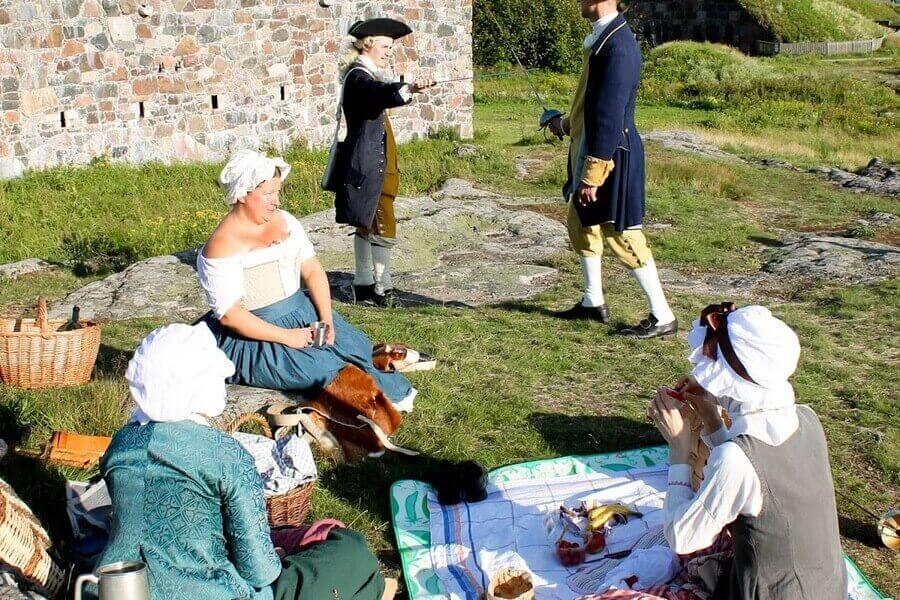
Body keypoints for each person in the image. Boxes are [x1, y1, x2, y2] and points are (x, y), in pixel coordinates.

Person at [98, 323, 388, 599]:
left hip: (114, 586)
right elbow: (259, 571)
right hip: (213, 592)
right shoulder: (227, 455)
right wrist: (277, 555)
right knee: (353, 551)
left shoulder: (120, 447)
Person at [647, 303, 846, 599]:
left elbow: (682, 537)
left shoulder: (736, 459)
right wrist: (713, 418)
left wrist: (679, 448)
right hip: (829, 589)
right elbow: (749, 475)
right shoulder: (807, 418)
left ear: (730, 382)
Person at [196, 149, 416, 412]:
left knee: (354, 347)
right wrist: (287, 337)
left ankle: (377, 386)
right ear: (243, 194)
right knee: (321, 370)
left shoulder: (285, 221)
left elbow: (311, 269)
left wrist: (327, 319)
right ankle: (369, 404)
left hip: (301, 310)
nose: (275, 201)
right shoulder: (221, 246)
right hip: (257, 331)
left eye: (277, 192)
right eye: (267, 194)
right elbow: (231, 316)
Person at [546, 0, 677, 338]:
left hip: (611, 154)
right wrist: (563, 124)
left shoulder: (617, 46)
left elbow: (608, 116)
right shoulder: (605, 38)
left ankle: (662, 315)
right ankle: (593, 302)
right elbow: (589, 107)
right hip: (593, 147)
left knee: (620, 231)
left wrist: (592, 174)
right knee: (582, 222)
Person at [332, 18, 434, 307]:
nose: (389, 51)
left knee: (368, 220)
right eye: (386, 46)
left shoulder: (365, 75)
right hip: (368, 163)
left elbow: (382, 93)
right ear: (368, 45)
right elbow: (378, 95)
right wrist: (408, 88)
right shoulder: (359, 77)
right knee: (380, 219)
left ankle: (364, 283)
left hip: (371, 160)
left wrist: (408, 89)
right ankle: (382, 289)